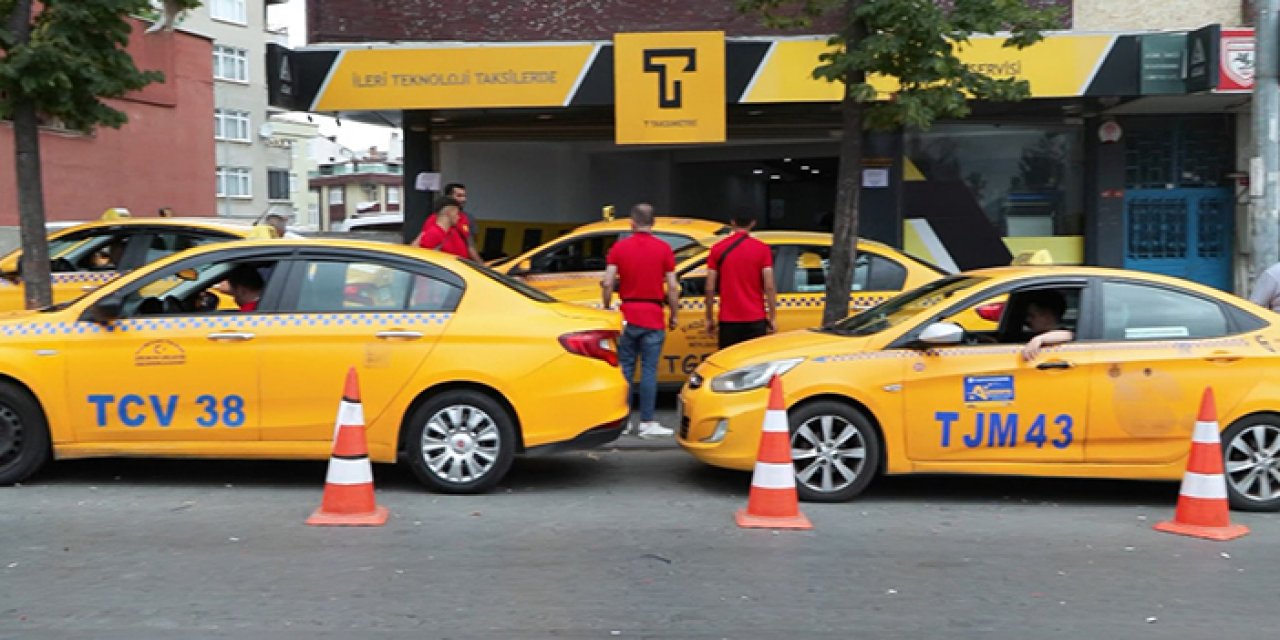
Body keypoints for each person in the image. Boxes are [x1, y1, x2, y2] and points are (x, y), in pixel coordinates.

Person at [601, 203, 679, 439]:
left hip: (628, 314)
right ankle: (647, 422)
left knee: (624, 368)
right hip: (653, 315)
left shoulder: (619, 248)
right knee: (648, 370)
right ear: (653, 223)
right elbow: (673, 287)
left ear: (631, 224)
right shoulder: (664, 249)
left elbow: (607, 282)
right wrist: (674, 313)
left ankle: (622, 421)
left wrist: (606, 306)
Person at [705, 209, 776, 349]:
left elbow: (709, 287)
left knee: (728, 363)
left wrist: (709, 318)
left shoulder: (717, 249)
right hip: (755, 318)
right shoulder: (762, 249)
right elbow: (769, 286)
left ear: (732, 222)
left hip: (728, 319)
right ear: (753, 223)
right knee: (754, 364)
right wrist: (772, 316)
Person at [420, 183, 482, 261]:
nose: (463, 200)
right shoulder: (435, 222)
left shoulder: (465, 218)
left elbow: (470, 245)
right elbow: (423, 250)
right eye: (459, 196)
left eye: (464, 196)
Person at [1021, 289, 1074, 361]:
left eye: (1032, 316)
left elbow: (1068, 335)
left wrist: (1039, 339)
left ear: (1047, 316)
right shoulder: (1030, 334)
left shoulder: (1063, 334)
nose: (1027, 320)